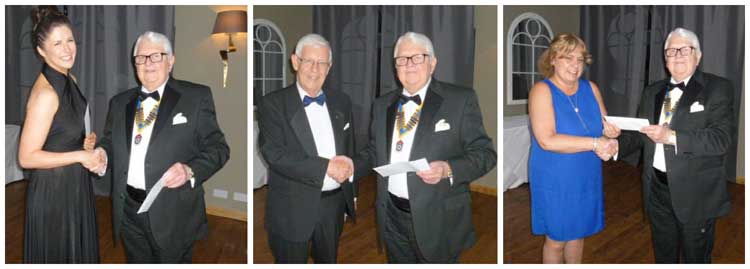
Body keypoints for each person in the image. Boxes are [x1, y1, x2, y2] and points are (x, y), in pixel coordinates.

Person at [354, 32, 496, 263]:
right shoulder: (382, 105)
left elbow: (486, 154)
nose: (409, 65)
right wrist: (350, 166)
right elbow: (374, 151)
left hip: (439, 219)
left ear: (432, 63)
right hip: (392, 216)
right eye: (402, 59)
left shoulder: (460, 100)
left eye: (417, 57)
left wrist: (448, 169)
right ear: (395, 65)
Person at [96, 31, 230, 263]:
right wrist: (101, 153)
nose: (148, 64)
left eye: (156, 56)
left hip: (174, 214)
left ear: (171, 60)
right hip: (128, 210)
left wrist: (189, 170)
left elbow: (219, 148)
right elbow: (109, 143)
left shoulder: (196, 97)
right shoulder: (119, 103)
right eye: (141, 57)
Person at [614, 27, 734, 263]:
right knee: (664, 256)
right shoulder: (652, 91)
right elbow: (642, 134)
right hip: (657, 191)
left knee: (695, 259)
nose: (677, 55)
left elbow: (721, 139)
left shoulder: (718, 88)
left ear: (698, 56)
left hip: (696, 195)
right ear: (665, 58)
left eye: (684, 49)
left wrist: (671, 137)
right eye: (671, 51)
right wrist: (614, 144)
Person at [258, 33, 356, 264]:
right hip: (292, 207)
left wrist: (351, 193)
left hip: (333, 204)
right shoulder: (272, 103)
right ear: (295, 62)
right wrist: (326, 168)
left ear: (329, 67)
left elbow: (348, 148)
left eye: (322, 63)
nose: (315, 69)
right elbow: (274, 153)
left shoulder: (342, 101)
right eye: (308, 61)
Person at [17, 5, 105, 263]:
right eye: (57, 44)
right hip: (53, 193)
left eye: (70, 40)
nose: (67, 49)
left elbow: (63, 132)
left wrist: (84, 142)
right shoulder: (45, 94)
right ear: (41, 51)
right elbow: (26, 158)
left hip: (74, 185)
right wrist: (79, 155)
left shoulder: (71, 80)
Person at [527, 33, 619, 264]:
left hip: (586, 172)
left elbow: (605, 125)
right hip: (555, 175)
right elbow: (547, 140)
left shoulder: (591, 88)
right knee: (557, 239)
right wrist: (595, 143)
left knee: (578, 234)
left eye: (580, 59)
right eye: (568, 58)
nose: (575, 65)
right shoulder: (541, 91)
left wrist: (611, 135)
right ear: (553, 59)